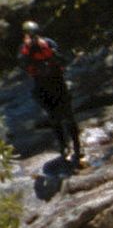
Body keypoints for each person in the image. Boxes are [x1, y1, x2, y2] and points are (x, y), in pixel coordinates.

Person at [18, 21, 84, 168]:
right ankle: (65, 147)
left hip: (54, 84)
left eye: (33, 35)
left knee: (66, 117)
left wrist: (51, 53)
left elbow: (63, 60)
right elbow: (23, 65)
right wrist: (29, 53)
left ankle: (75, 147)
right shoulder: (25, 49)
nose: (32, 38)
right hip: (46, 87)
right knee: (57, 118)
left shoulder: (47, 44)